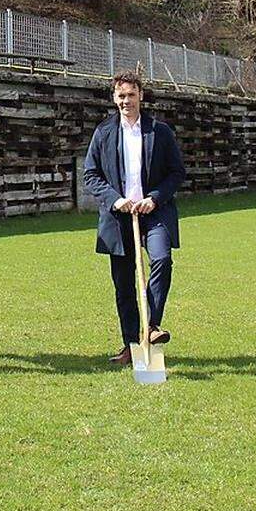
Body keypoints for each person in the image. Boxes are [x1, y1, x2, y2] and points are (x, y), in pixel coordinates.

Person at [83, 69, 186, 365]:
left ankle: (150, 326)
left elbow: (177, 172)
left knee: (162, 259)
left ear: (141, 95)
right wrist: (116, 200)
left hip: (154, 211)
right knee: (124, 283)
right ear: (114, 98)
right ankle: (131, 344)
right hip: (119, 216)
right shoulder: (103, 133)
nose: (126, 100)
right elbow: (91, 174)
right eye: (121, 96)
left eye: (131, 94)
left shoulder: (160, 132)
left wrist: (155, 198)